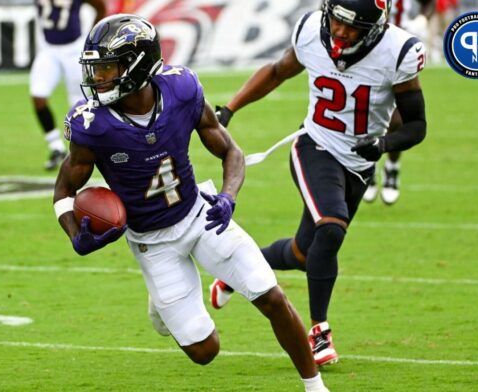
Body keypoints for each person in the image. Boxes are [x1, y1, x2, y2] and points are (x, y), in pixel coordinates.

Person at [53, 14, 328, 392]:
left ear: (137, 66)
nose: (98, 79)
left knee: (271, 295)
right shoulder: (92, 125)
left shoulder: (181, 89)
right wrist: (74, 234)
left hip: (201, 214)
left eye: (107, 69)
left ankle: (315, 387)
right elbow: (65, 190)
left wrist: (228, 197)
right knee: (205, 350)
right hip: (152, 241)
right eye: (96, 70)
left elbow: (230, 149)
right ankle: (160, 301)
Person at [211, 0, 428, 366]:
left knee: (303, 253)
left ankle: (233, 273)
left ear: (374, 28)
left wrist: (384, 144)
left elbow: (417, 125)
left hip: (360, 163)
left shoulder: (399, 51)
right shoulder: (312, 29)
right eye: (337, 22)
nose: (341, 32)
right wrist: (229, 109)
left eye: (352, 26)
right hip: (314, 145)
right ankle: (318, 331)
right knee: (330, 228)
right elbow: (279, 70)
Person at [363, 0, 434, 204]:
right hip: (364, 54)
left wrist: (421, 19)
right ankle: (367, 167)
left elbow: (429, 3)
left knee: (397, 121)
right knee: (362, 113)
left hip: (399, 53)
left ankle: (392, 167)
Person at [30, 0, 105, 170]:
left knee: (79, 103)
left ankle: (88, 149)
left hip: (74, 49)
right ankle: (55, 146)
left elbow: (100, 7)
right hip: (48, 49)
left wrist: (92, 38)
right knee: (38, 95)